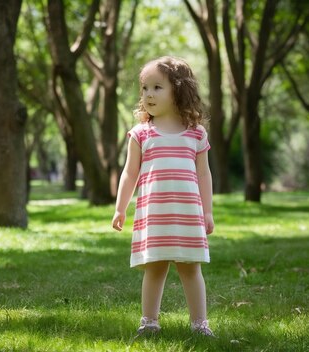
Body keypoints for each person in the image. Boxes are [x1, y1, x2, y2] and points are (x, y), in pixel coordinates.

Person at [111, 56, 215, 337]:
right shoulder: (141, 134)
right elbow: (129, 174)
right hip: (154, 214)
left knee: (190, 268)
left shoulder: (196, 134)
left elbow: (204, 174)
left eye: (157, 87)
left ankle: (199, 324)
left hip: (187, 214)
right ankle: (149, 322)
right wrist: (121, 208)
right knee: (154, 268)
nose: (148, 95)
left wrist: (207, 212)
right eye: (145, 88)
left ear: (179, 90)